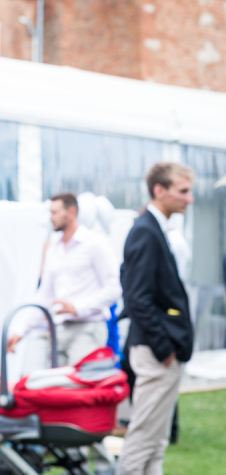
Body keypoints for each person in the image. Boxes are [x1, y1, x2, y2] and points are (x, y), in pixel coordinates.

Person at [117, 162, 195, 475]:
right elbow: (137, 297)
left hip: (157, 351)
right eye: (183, 191)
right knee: (141, 441)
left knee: (156, 443)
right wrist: (164, 349)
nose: (189, 199)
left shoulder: (154, 228)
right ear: (159, 190)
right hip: (154, 353)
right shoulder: (145, 231)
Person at [7, 192, 121, 367]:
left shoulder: (95, 244)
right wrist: (20, 331)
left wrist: (77, 307)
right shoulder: (54, 249)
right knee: (55, 387)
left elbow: (114, 290)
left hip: (88, 328)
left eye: (54, 212)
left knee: (78, 388)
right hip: (57, 330)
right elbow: (44, 295)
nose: (50, 217)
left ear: (72, 213)